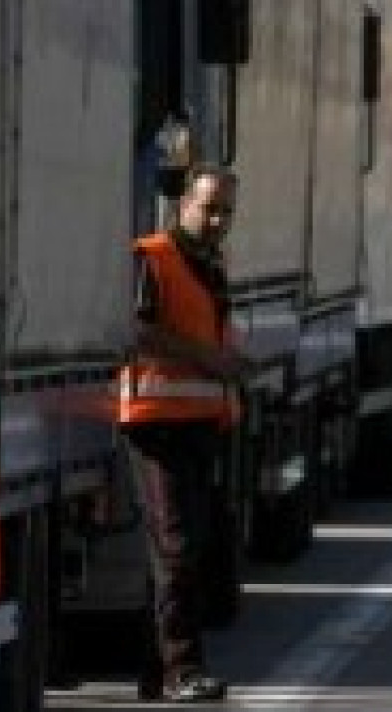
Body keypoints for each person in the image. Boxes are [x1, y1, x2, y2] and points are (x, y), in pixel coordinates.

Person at [121, 165, 256, 704]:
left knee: (188, 547)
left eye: (226, 211)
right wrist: (212, 361)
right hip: (156, 423)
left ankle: (157, 669)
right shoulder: (152, 256)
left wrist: (231, 366)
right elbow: (138, 329)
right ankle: (183, 668)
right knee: (176, 548)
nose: (218, 219)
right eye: (209, 208)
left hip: (197, 422)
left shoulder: (210, 264)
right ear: (183, 204)